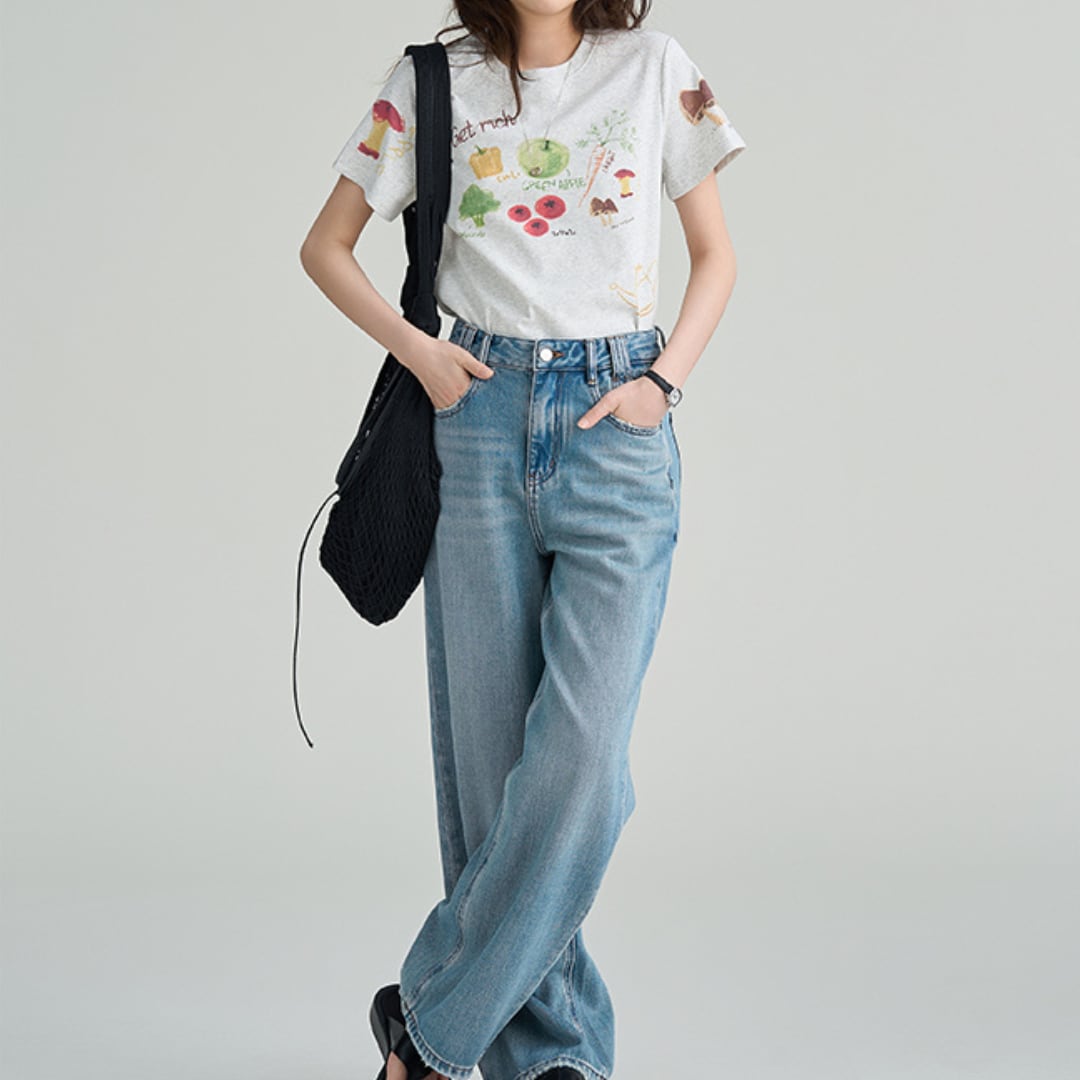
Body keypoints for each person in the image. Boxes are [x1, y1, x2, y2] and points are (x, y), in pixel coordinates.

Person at [300, 2, 747, 1078]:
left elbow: (716, 256)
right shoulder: (432, 82)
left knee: (580, 765)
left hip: (615, 425)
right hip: (478, 420)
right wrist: (420, 353)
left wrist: (662, 383)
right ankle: (556, 1060)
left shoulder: (655, 67)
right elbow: (325, 246)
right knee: (496, 787)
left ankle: (427, 1029)